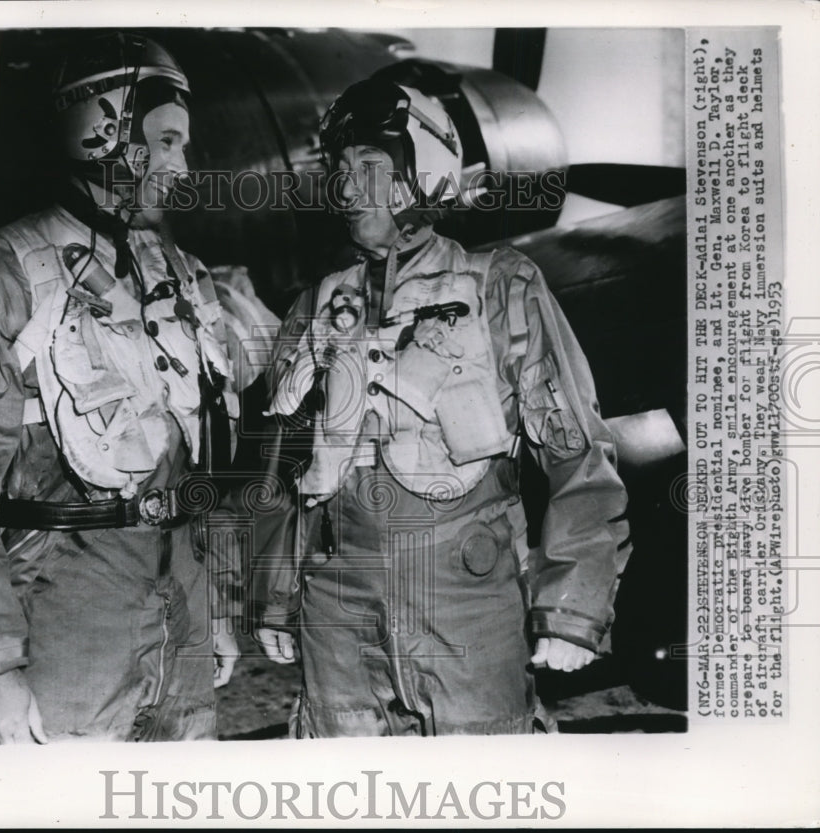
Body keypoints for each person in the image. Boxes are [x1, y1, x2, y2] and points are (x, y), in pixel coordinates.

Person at [0, 32, 251, 743]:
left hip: (179, 612)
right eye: (169, 140)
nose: (183, 164)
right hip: (63, 619)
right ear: (106, 130)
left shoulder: (177, 273)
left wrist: (218, 605)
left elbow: (201, 458)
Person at [253, 77, 633, 736]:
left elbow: (578, 454)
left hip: (469, 599)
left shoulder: (502, 288)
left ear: (424, 172)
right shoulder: (316, 304)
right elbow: (285, 469)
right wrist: (273, 594)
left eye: (368, 168)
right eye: (340, 171)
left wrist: (573, 605)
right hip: (338, 608)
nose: (346, 189)